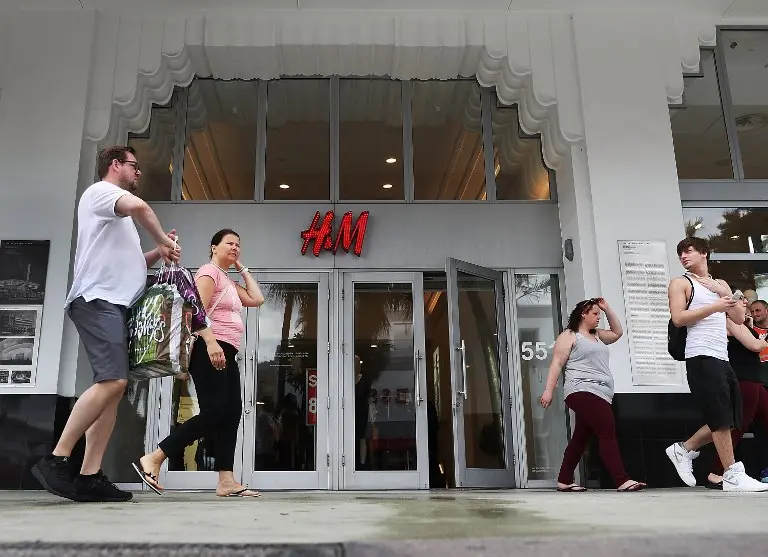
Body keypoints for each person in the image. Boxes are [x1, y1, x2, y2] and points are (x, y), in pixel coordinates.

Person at [31, 146, 180, 502]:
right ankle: (56, 458)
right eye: (134, 166)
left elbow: (131, 262)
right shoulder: (101, 192)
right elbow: (142, 208)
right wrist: (163, 239)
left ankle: (90, 476)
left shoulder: (117, 216)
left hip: (115, 306)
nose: (138, 172)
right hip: (98, 301)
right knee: (114, 381)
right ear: (115, 165)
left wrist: (156, 253)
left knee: (112, 392)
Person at [134, 229, 265, 497]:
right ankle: (155, 457)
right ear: (213, 247)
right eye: (229, 243)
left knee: (231, 414)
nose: (235, 248)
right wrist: (211, 343)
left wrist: (242, 269)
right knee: (214, 412)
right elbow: (196, 312)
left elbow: (257, 299)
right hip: (210, 348)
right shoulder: (209, 272)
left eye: (238, 245)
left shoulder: (227, 280)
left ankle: (226, 480)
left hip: (227, 351)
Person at [665, 237, 768, 492]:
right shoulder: (681, 283)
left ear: (704, 253)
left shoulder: (719, 284)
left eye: (688, 251)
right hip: (699, 355)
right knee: (721, 417)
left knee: (731, 418)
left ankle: (684, 449)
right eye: (680, 253)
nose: (683, 256)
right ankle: (732, 473)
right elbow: (678, 318)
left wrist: (724, 293)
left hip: (722, 357)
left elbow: (738, 317)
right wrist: (715, 306)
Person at [541, 297, 646, 492]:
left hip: (602, 393)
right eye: (595, 313)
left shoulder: (597, 335)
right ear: (583, 314)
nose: (599, 317)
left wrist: (607, 308)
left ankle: (564, 480)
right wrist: (549, 391)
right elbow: (557, 363)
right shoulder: (569, 335)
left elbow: (617, 333)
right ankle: (622, 480)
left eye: (600, 314)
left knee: (580, 438)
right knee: (607, 430)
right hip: (581, 390)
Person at [705, 299, 768, 488]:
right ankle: (716, 472)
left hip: (754, 380)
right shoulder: (728, 322)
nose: (746, 307)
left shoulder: (741, 324)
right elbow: (755, 346)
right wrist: (762, 339)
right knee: (737, 427)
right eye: (742, 304)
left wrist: (748, 325)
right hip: (744, 379)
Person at [750, 299, 768, 482]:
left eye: (758, 310)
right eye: (752, 311)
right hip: (758, 383)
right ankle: (765, 469)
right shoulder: (749, 330)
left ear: (766, 311)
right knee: (762, 429)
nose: (755, 314)